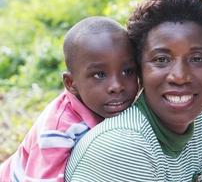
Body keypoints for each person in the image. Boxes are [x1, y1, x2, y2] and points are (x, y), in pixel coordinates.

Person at [65, 0, 202, 182]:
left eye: (197, 59)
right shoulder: (124, 145)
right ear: (140, 71)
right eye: (161, 59)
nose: (179, 76)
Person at [0, 16, 138, 182]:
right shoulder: (57, 131)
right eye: (100, 74)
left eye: (127, 71)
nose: (117, 86)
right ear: (71, 83)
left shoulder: (131, 110)